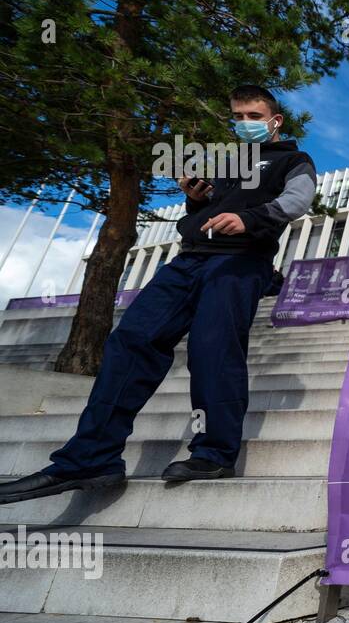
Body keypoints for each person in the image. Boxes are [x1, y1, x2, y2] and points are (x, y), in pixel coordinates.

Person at [0, 85, 317, 503]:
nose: (244, 123)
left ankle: (214, 453)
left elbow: (299, 199)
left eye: (254, 116)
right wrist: (195, 199)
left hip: (241, 261)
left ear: (274, 121)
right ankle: (91, 458)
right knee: (131, 341)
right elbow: (204, 214)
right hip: (189, 260)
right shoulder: (229, 165)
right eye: (237, 116)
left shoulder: (294, 160)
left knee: (213, 347)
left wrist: (250, 219)